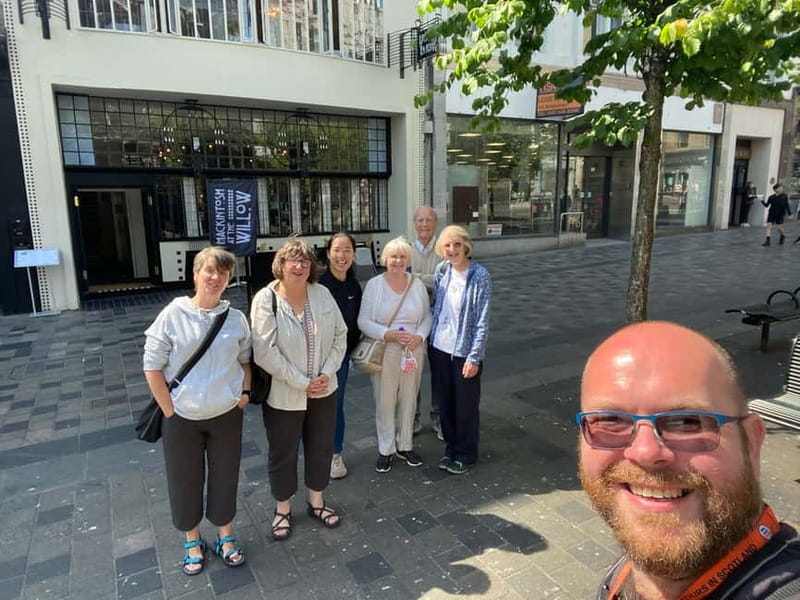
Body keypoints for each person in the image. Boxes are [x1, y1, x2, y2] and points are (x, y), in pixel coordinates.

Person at [577, 321, 800, 600]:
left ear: (752, 443)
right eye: (610, 420)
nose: (645, 452)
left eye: (687, 422)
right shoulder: (621, 577)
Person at [143, 246, 251, 575]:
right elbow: (152, 366)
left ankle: (225, 535)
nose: (216, 277)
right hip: (182, 419)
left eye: (223, 273)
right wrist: (169, 410)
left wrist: (244, 393)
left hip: (226, 414)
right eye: (209, 270)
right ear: (195, 274)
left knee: (225, 475)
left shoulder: (236, 319)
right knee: (184, 479)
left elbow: (245, 360)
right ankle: (192, 539)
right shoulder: (173, 315)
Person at [251, 238, 347, 541]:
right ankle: (282, 508)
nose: (299, 266)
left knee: (321, 447)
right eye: (293, 260)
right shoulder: (266, 299)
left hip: (324, 389)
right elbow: (264, 352)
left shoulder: (322, 294)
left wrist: (325, 373)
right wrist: (301, 382)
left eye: (305, 261)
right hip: (285, 394)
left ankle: (316, 501)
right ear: (280, 264)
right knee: (283, 452)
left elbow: (341, 336)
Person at [358, 237, 432, 473]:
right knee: (385, 400)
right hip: (385, 349)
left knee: (410, 398)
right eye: (393, 257)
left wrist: (419, 336)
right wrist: (386, 334)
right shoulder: (374, 285)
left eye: (402, 257)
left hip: (413, 350)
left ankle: (405, 444)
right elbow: (363, 320)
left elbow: (427, 316)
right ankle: (386, 448)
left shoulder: (416, 284)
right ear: (385, 259)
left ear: (408, 260)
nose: (398, 261)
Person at [429, 225, 491, 475]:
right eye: (447, 245)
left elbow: (482, 320)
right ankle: (450, 449)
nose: (452, 249)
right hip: (439, 348)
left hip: (464, 353)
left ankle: (466, 454)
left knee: (465, 406)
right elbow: (436, 306)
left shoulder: (480, 275)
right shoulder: (442, 270)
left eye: (457, 244)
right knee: (445, 404)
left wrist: (474, 357)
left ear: (466, 246)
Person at [318, 232, 362, 480]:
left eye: (347, 250)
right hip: (315, 358)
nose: (341, 255)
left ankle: (335, 454)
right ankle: (316, 452)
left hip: (341, 359)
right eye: (337, 250)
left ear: (353, 254)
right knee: (312, 407)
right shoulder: (318, 285)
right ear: (328, 253)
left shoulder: (354, 286)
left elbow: (356, 323)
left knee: (336, 405)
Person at [410, 206, 441, 437]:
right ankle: (413, 418)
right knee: (412, 372)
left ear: (435, 223)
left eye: (428, 220)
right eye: (420, 220)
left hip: (439, 320)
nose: (424, 224)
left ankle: (439, 418)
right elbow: (400, 281)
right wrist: (430, 279)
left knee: (440, 372)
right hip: (413, 321)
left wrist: (415, 278)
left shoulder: (444, 250)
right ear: (414, 223)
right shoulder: (406, 250)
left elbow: (444, 281)